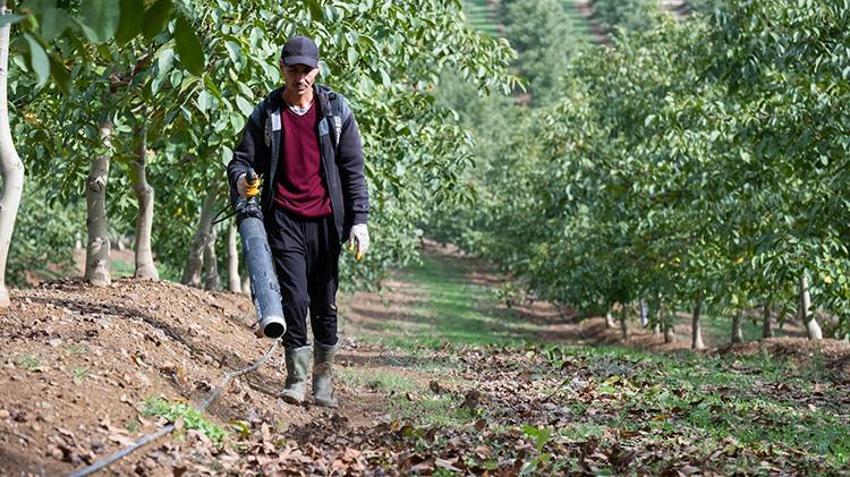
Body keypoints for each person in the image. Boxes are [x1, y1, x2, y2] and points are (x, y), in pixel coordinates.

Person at [227, 35, 369, 408]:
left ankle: (323, 381)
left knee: (324, 301)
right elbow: (241, 160)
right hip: (284, 218)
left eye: (307, 70)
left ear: (317, 71)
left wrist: (359, 221)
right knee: (294, 297)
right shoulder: (267, 113)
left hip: (327, 221)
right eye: (293, 70)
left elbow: (353, 169)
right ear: (282, 69)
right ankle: (296, 378)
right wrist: (242, 180)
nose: (300, 77)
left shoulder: (335, 111)